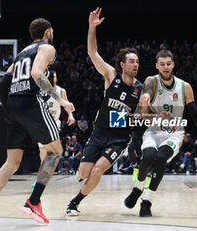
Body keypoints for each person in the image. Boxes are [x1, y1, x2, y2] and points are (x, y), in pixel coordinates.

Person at [0, 18, 75, 228]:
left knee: (12, 162)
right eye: (52, 30)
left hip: (12, 108)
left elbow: (2, 84)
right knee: (55, 152)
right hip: (30, 103)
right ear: (47, 31)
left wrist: (10, 108)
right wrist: (61, 99)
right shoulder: (46, 48)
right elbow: (37, 73)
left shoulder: (20, 55)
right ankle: (33, 203)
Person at [65, 8, 143, 216]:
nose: (136, 64)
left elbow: (141, 117)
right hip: (99, 133)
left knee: (97, 171)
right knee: (84, 173)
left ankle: (74, 203)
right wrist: (92, 27)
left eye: (137, 61)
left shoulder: (141, 89)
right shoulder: (111, 75)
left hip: (118, 138)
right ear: (122, 65)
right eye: (132, 61)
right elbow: (92, 53)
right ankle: (82, 178)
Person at [124, 49, 197, 217]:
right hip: (153, 131)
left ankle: (147, 202)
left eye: (168, 64)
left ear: (173, 64)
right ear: (157, 66)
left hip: (174, 133)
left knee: (160, 158)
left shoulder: (185, 86)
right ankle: (137, 188)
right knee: (147, 157)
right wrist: (145, 98)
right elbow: (146, 90)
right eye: (162, 64)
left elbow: (195, 113)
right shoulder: (151, 81)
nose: (166, 67)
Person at [32, 71, 75, 187]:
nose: (53, 78)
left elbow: (67, 105)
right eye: (51, 76)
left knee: (50, 151)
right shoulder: (40, 89)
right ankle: (41, 177)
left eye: (55, 76)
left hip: (54, 123)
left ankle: (42, 177)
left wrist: (70, 116)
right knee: (42, 151)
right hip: (41, 123)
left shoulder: (61, 91)